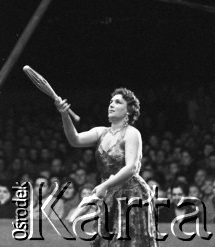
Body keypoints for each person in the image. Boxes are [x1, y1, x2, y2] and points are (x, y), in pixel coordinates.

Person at [56, 87, 157, 246]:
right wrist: (64, 114)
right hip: (108, 194)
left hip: (132, 195)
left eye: (118, 102)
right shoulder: (100, 132)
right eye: (111, 101)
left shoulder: (132, 133)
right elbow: (74, 140)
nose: (111, 105)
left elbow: (132, 167)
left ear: (128, 110)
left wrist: (105, 185)